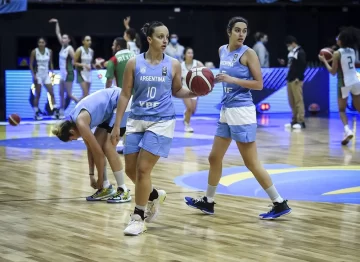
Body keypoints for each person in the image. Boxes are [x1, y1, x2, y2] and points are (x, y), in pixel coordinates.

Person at [184, 16, 292, 220]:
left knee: (251, 162)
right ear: (229, 31)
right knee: (214, 157)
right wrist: (212, 82)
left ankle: (279, 202)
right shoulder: (222, 50)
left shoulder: (249, 53)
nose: (241, 34)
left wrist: (233, 79)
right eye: (237, 30)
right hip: (226, 110)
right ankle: (208, 201)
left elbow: (259, 84)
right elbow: (225, 78)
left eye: (244, 30)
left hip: (242, 111)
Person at [110, 21, 199, 236]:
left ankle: (138, 217)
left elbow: (177, 90)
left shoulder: (173, 64)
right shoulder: (134, 63)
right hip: (137, 119)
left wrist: (195, 92)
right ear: (149, 39)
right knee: (131, 169)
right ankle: (154, 195)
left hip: (162, 120)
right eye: (160, 36)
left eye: (166, 36)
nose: (165, 40)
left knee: (142, 169)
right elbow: (125, 94)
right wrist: (116, 125)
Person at [51, 88, 132, 203]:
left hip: (121, 101)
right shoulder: (73, 122)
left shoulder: (80, 122)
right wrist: (91, 175)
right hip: (109, 108)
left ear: (72, 132)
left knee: (108, 147)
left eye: (72, 139)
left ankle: (123, 190)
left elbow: (98, 154)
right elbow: (91, 149)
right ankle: (105, 187)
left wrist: (99, 177)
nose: (75, 140)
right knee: (98, 143)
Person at [319, 26, 360, 145]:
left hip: (344, 82)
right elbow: (343, 60)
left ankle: (347, 130)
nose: (336, 39)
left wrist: (325, 61)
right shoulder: (352, 50)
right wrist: (332, 57)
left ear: (341, 41)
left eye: (338, 38)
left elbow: (332, 72)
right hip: (356, 81)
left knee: (341, 110)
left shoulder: (337, 53)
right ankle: (346, 132)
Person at [105, 37, 135, 154]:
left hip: (124, 96)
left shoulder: (114, 59)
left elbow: (109, 80)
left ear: (117, 47)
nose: (112, 47)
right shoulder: (136, 56)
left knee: (120, 123)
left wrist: (107, 95)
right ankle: (131, 147)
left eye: (113, 45)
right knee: (134, 122)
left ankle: (111, 146)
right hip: (139, 94)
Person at [49, 18, 77, 118]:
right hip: (62, 74)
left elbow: (75, 60)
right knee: (61, 93)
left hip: (68, 73)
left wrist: (70, 69)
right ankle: (61, 112)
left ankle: (82, 106)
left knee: (69, 94)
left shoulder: (69, 48)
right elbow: (58, 33)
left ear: (69, 40)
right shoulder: (62, 47)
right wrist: (57, 22)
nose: (63, 39)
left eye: (65, 38)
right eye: (63, 38)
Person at [29, 37, 60, 120]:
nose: (41, 44)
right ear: (38, 43)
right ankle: (36, 113)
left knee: (52, 93)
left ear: (45, 43)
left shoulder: (49, 51)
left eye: (43, 42)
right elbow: (31, 64)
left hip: (46, 75)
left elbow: (51, 63)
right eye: (40, 42)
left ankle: (55, 111)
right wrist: (33, 75)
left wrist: (52, 72)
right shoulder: (34, 52)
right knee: (38, 94)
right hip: (38, 74)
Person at [282, 35, 307, 129]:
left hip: (296, 80)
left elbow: (303, 65)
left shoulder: (300, 52)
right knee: (291, 101)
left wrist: (298, 77)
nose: (288, 47)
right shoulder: (291, 53)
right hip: (290, 79)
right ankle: (294, 120)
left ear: (293, 43)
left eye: (288, 45)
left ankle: (301, 121)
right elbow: (291, 66)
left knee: (298, 101)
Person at [181, 47, 204, 132]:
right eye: (188, 53)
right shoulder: (181, 65)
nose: (190, 54)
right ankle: (187, 125)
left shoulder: (197, 63)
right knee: (189, 108)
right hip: (184, 90)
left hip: (195, 90)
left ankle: (186, 113)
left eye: (191, 53)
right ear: (184, 55)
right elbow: (177, 79)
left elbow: (205, 73)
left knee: (193, 110)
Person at [74, 35, 94, 101]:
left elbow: (90, 63)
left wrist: (95, 65)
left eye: (90, 40)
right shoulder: (79, 50)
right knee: (86, 93)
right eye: (87, 40)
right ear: (83, 42)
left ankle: (77, 102)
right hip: (80, 73)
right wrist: (84, 65)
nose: (89, 42)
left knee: (86, 95)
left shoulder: (91, 51)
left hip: (88, 73)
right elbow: (74, 63)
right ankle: (80, 108)